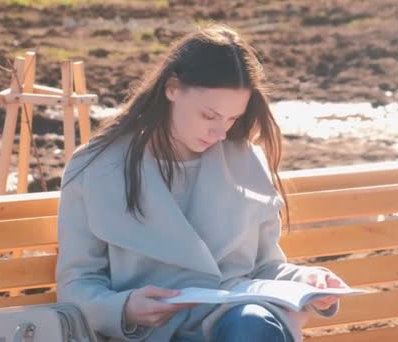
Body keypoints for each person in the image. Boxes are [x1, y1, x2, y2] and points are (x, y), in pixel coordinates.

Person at [55, 24, 346, 342]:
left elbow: (265, 268)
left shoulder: (245, 160)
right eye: (209, 116)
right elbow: (77, 284)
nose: (220, 133)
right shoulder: (97, 167)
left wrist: (307, 279)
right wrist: (123, 308)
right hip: (149, 334)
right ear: (172, 88)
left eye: (232, 119)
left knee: (252, 323)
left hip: (235, 325)